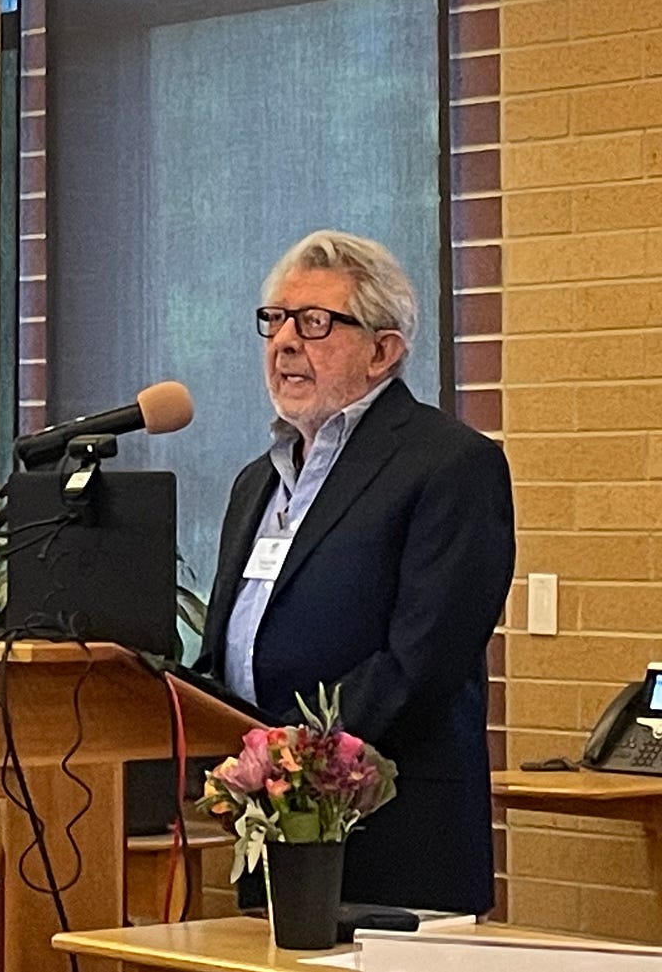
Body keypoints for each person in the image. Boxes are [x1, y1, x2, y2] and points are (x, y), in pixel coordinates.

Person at [196, 229, 515, 915]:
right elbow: (231, 646)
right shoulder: (256, 482)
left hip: (392, 839)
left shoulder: (448, 464)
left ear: (382, 350)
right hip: (273, 832)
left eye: (314, 322)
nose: (284, 341)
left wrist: (290, 763)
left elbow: (418, 661)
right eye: (275, 320)